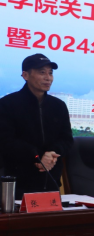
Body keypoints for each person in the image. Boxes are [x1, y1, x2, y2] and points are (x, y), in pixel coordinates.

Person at [0, 54, 73, 199]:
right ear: (25, 75)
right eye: (42, 72)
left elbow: (67, 140)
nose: (48, 78)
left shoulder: (59, 106)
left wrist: (52, 154)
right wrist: (38, 157)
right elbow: (6, 141)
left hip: (51, 181)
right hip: (18, 184)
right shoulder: (7, 104)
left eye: (50, 73)